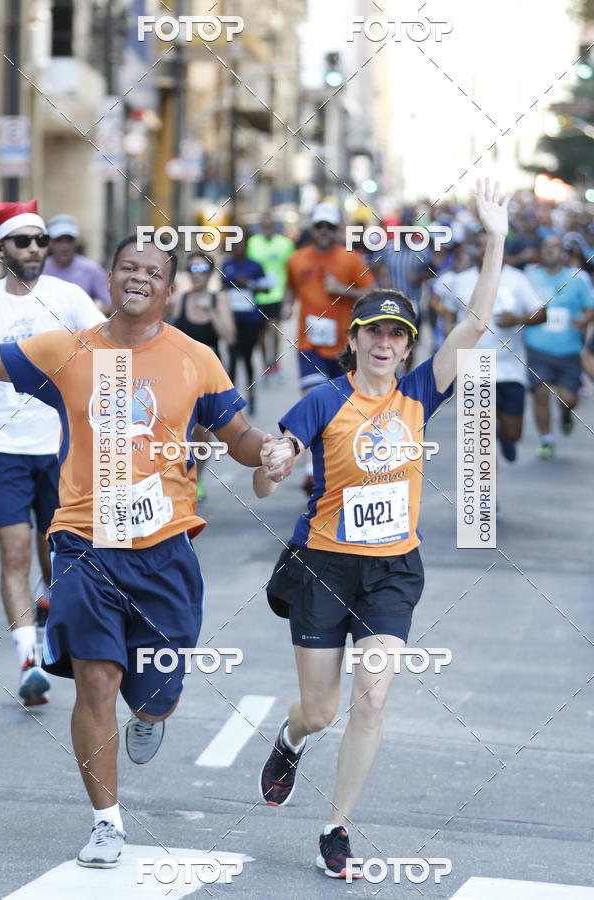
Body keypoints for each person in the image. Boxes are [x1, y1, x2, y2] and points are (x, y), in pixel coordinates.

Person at [0, 235, 294, 867]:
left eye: (152, 272)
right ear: (109, 278)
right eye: (128, 267)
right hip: (84, 541)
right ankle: (107, 822)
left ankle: (153, 712)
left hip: (165, 549)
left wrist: (267, 447)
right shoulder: (68, 350)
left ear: (168, 287)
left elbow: (235, 434)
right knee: (95, 681)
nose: (137, 277)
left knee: (157, 694)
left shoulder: (195, 359)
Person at [254, 181, 509, 879]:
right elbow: (269, 469)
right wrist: (273, 463)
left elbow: (478, 323)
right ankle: (290, 737)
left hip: (393, 567)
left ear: (405, 346)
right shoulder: (326, 400)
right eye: (376, 332)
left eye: (398, 334)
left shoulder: (420, 393)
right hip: (324, 566)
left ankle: (336, 827)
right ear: (357, 340)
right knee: (321, 709)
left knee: (373, 696)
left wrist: (495, 237)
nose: (387, 343)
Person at [0, 200, 105, 706]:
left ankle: (46, 609)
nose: (35, 249)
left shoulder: (69, 297)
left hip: (60, 447)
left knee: (51, 554)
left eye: (40, 240)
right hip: (3, 448)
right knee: (15, 551)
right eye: (24, 241)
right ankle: (28, 659)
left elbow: (109, 350)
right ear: (1, 250)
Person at [284, 202, 375, 494]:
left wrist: (342, 290)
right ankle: (313, 472)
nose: (324, 232)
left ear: (337, 230)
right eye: (319, 226)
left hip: (345, 347)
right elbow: (291, 288)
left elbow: (373, 294)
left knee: (343, 411)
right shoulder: (296, 259)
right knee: (314, 403)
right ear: (312, 228)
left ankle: (343, 466)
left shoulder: (351, 259)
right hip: (309, 344)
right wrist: (286, 305)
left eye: (329, 227)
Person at [441, 231, 545, 463]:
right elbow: (447, 311)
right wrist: (451, 337)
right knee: (480, 435)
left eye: (491, 246)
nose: (485, 251)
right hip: (474, 367)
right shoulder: (462, 280)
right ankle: (487, 494)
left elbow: (541, 313)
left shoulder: (516, 278)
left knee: (513, 432)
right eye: (480, 246)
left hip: (510, 367)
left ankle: (506, 439)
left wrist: (518, 319)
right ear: (474, 250)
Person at [524, 235, 594, 458]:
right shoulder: (529, 277)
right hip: (537, 347)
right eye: (546, 246)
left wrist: (583, 321)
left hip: (569, 349)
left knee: (568, 399)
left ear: (563, 253)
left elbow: (591, 307)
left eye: (555, 247)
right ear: (541, 252)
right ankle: (547, 439)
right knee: (540, 392)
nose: (550, 251)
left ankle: (566, 413)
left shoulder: (578, 279)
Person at [172, 252, 235, 499]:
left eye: (202, 270)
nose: (196, 275)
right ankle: (178, 477)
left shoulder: (218, 299)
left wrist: (212, 312)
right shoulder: (180, 298)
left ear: (210, 274)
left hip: (207, 377)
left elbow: (229, 337)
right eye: (192, 270)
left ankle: (197, 478)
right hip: (179, 375)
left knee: (201, 430)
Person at [222, 231, 270, 415]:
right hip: (231, 318)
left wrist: (248, 283)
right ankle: (231, 401)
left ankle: (252, 397)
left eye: (240, 244)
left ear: (246, 245)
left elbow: (266, 288)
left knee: (247, 359)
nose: (237, 248)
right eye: (233, 244)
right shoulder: (227, 264)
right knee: (232, 358)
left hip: (251, 319)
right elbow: (221, 286)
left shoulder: (255, 265)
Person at [247, 214, 295, 381]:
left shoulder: (285, 244)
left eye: (270, 226)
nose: (267, 229)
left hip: (277, 294)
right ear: (261, 227)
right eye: (264, 226)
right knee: (259, 333)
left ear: (274, 227)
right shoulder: (253, 243)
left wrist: (290, 299)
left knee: (273, 329)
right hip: (257, 295)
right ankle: (265, 364)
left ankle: (274, 361)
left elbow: (291, 270)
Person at [43, 214, 111, 308]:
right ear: (49, 242)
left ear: (77, 241)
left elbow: (111, 304)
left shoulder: (92, 270)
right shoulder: (39, 269)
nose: (64, 246)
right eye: (58, 240)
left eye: (69, 240)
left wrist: (94, 309)